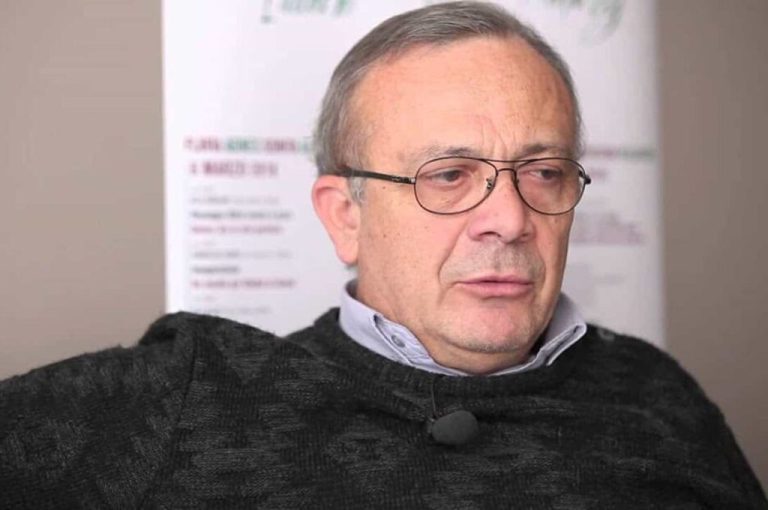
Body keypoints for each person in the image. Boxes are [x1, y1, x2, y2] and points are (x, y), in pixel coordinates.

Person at [1, 2, 765, 508]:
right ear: (346, 217)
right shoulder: (188, 396)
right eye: (449, 175)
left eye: (543, 172)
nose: (509, 220)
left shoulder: (658, 396)